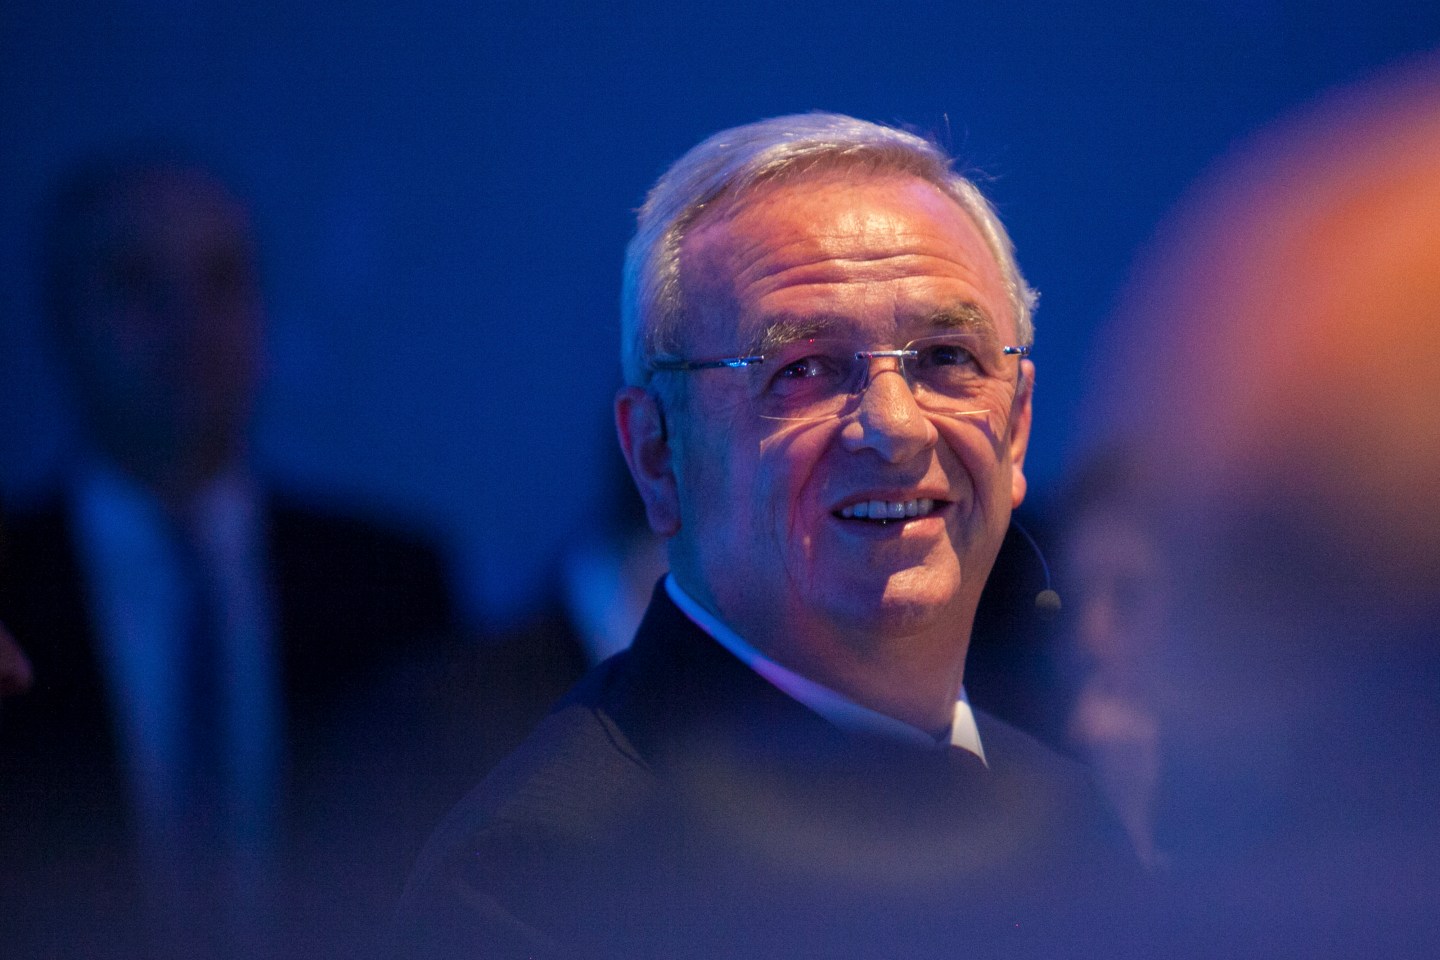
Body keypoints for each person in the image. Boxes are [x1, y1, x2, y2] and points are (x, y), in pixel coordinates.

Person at [395, 113, 1139, 960]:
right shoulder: (540, 883)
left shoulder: (1076, 823)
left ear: (1015, 432)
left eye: (945, 357)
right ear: (656, 455)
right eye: (805, 369)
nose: (896, 429)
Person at [0, 151, 455, 960]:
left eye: (221, 281)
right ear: (63, 318)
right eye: (137, 284)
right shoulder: (11, 589)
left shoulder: (388, 584)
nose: (189, 324)